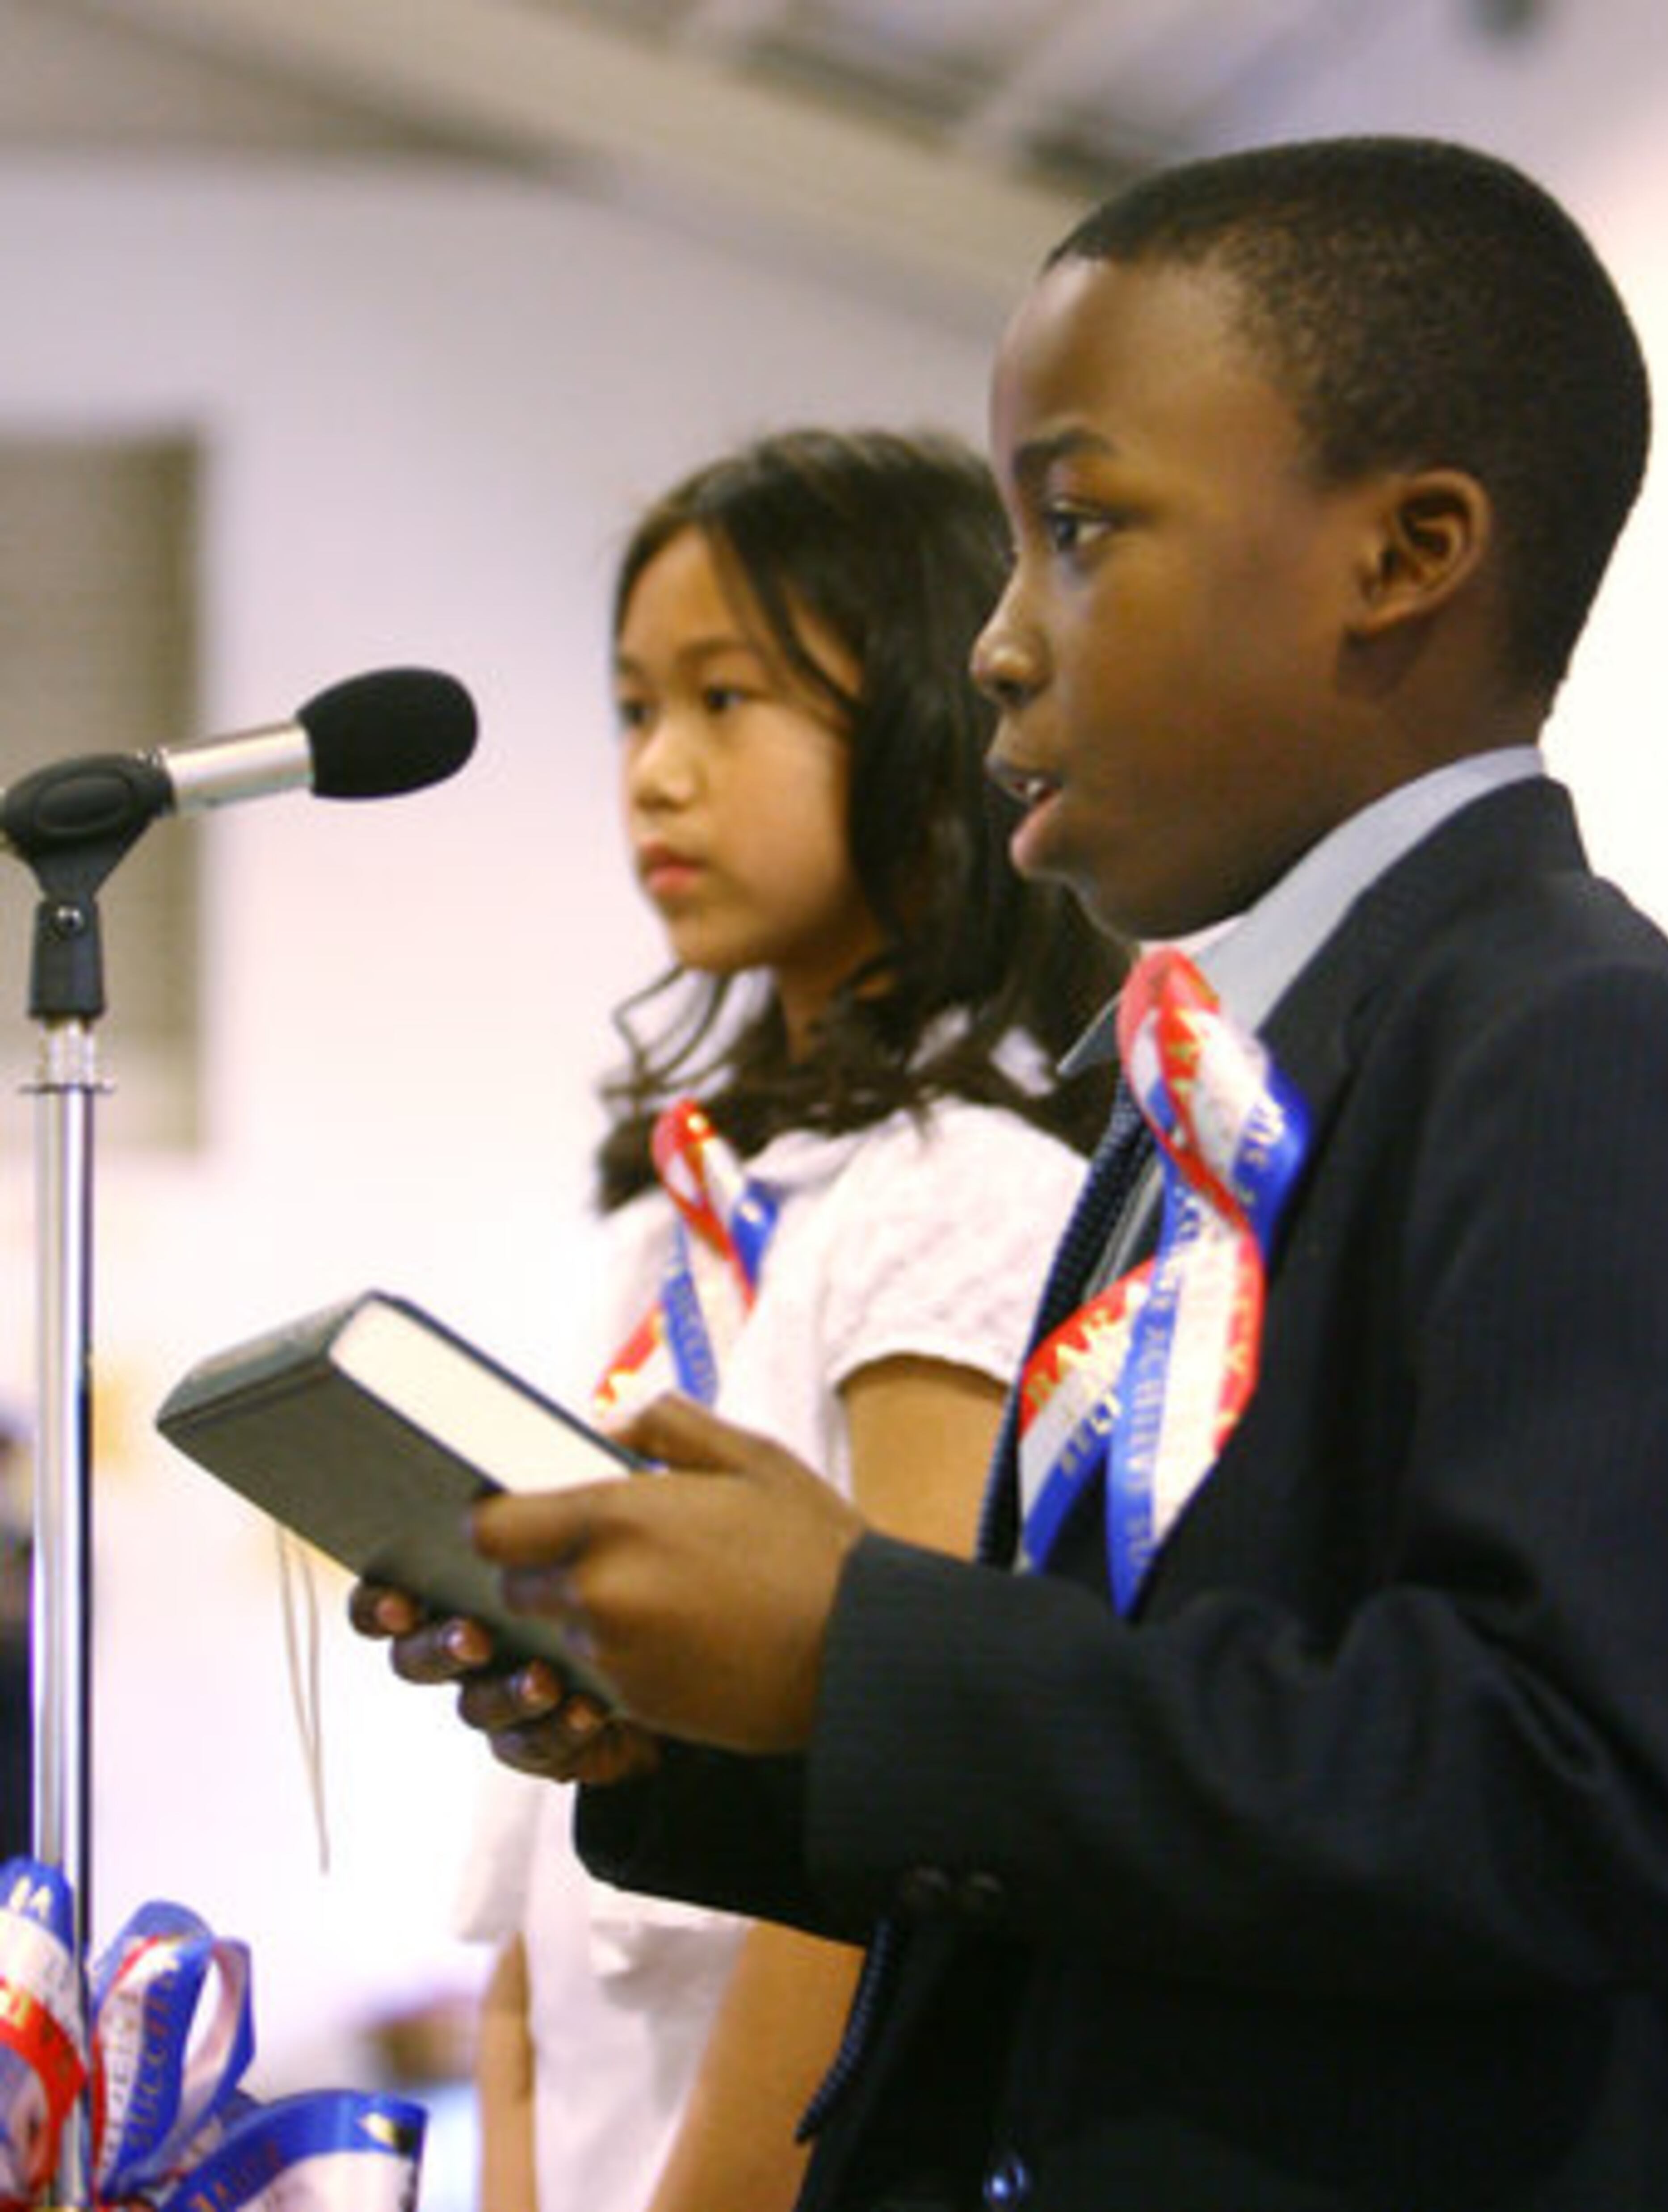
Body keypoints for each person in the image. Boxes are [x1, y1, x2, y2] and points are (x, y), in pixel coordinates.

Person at [378, 139, 1668, 2207]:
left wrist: (863, 1646)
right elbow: (1119, 1783)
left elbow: (1577, 1786)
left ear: (1408, 552)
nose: (999, 644)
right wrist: (713, 1730)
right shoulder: (1193, 1086)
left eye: (1075, 529)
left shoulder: (1563, 1036)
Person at [369, 427, 1126, 2212]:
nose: (659, 775)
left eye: (728, 700)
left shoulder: (964, 1189)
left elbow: (887, 1790)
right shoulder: (679, 1205)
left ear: (936, 730)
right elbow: (544, 1873)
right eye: (635, 708)